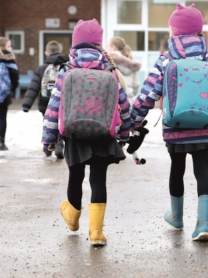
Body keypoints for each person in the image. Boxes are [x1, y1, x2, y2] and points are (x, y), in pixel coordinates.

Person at [130, 4, 208, 241]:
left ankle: (177, 217)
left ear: (174, 32)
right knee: (202, 171)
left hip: (175, 127)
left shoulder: (165, 61)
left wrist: (134, 122)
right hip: (205, 127)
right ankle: (204, 224)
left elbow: (147, 95)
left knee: (176, 169)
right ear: (199, 32)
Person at [42, 19, 131, 247]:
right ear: (99, 44)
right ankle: (97, 233)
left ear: (75, 44)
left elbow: (54, 107)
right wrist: (125, 133)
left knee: (75, 176)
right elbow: (123, 104)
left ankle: (72, 219)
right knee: (98, 180)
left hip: (74, 133)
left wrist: (49, 138)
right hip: (103, 133)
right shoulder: (109, 70)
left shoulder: (67, 70)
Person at [22, 40, 70, 158]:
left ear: (46, 53)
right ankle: (59, 145)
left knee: (47, 123)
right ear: (60, 51)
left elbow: (34, 87)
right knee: (61, 123)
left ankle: (47, 146)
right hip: (63, 101)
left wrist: (27, 104)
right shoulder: (67, 67)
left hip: (46, 102)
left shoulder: (42, 68)